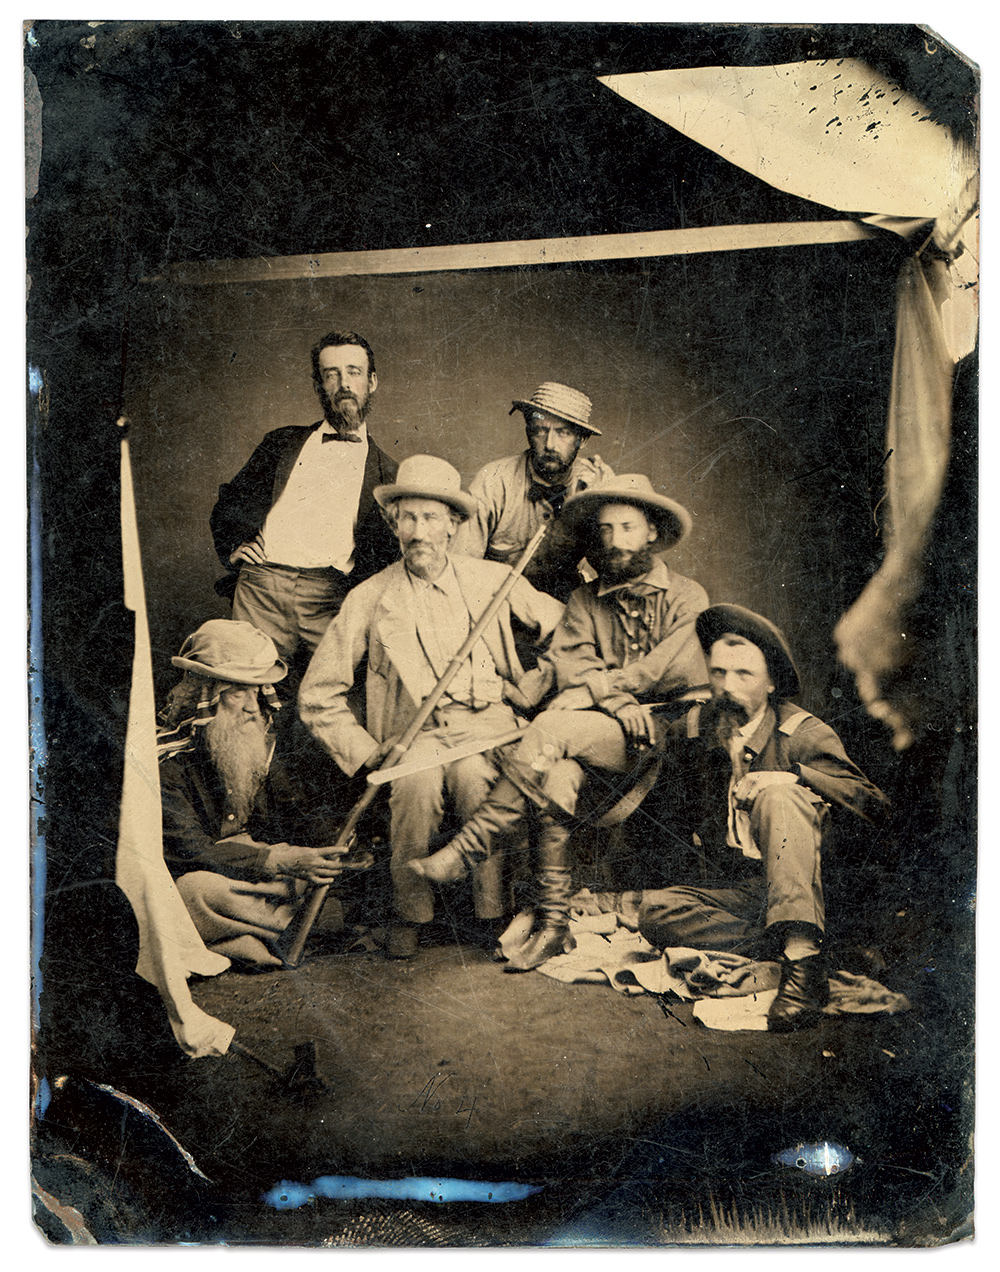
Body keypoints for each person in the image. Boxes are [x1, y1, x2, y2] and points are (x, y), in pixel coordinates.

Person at [411, 474, 711, 971]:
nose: (615, 541)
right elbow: (572, 664)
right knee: (555, 779)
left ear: (653, 532)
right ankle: (553, 925)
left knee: (549, 727)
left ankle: (471, 845)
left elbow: (667, 670)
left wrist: (611, 691)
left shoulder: (687, 596)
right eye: (607, 530)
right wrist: (616, 701)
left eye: (629, 528)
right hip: (601, 731)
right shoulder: (584, 600)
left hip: (667, 732)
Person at [298, 454, 565, 959]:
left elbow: (570, 633)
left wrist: (532, 686)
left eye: (431, 518)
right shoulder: (369, 598)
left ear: (454, 525)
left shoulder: (492, 580)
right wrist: (368, 751)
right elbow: (317, 696)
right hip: (413, 738)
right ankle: (409, 914)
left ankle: (490, 915)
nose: (419, 531)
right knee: (415, 785)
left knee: (472, 779)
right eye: (408, 518)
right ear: (393, 523)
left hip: (490, 730)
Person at [636, 604, 890, 1032]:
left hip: (816, 887)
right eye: (717, 673)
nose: (726, 686)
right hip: (749, 890)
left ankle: (803, 971)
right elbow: (665, 820)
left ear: (771, 682)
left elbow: (875, 806)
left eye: (743, 675)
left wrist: (793, 776)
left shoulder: (803, 734)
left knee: (778, 798)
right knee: (655, 912)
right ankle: (807, 944)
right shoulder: (694, 731)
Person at [158, 620, 358, 969]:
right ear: (205, 697)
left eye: (258, 691)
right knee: (195, 893)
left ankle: (243, 940)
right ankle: (302, 927)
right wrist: (281, 861)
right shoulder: (165, 762)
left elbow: (298, 811)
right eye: (238, 692)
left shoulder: (255, 739)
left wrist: (332, 848)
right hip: (202, 871)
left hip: (256, 869)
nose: (254, 707)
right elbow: (192, 852)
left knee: (326, 877)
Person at [209, 330, 399, 674]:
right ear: (318, 384)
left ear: (372, 382)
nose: (344, 384)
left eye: (353, 372)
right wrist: (233, 546)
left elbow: (388, 558)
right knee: (245, 694)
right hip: (261, 591)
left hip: (331, 599)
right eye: (332, 374)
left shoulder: (389, 473)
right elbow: (230, 500)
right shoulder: (282, 443)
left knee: (333, 699)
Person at [455, 381, 614, 602]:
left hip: (566, 614)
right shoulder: (494, 480)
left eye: (563, 433)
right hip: (496, 605)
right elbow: (459, 567)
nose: (550, 444)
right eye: (540, 429)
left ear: (583, 440)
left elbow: (616, 572)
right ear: (528, 429)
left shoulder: (597, 482)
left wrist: (593, 506)